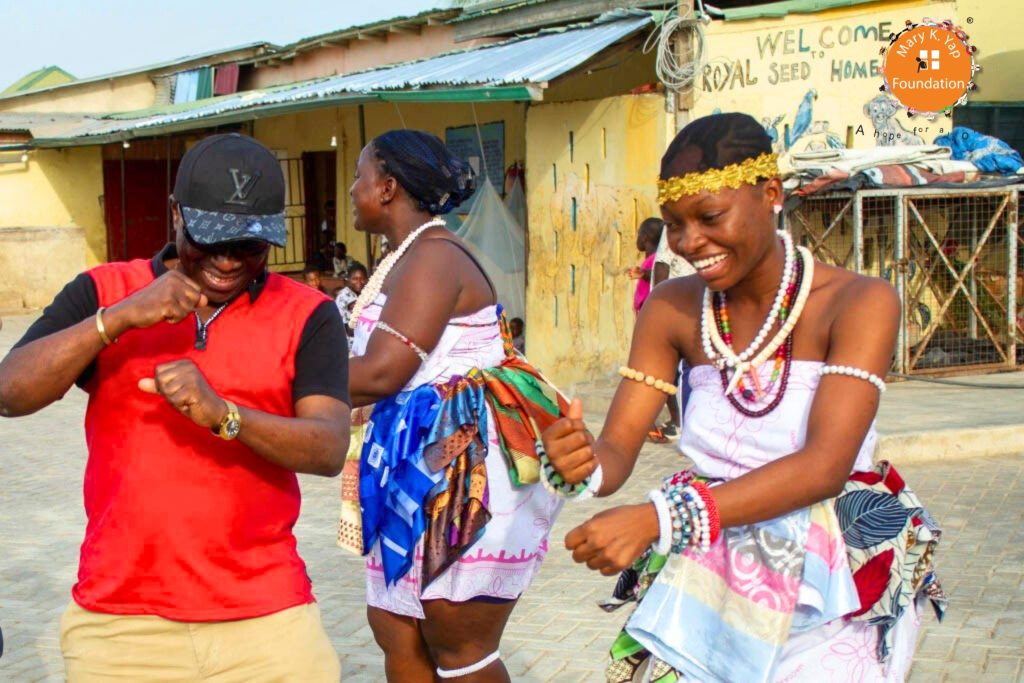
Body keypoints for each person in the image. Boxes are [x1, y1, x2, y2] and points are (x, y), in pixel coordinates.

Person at [541, 113, 945, 682]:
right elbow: (614, 454)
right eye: (673, 225)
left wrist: (659, 518)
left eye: (708, 217)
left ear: (771, 194)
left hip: (830, 580)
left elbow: (825, 467)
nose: (688, 243)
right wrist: (575, 462)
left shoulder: (860, 301)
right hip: (709, 577)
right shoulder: (671, 308)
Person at [0, 133, 348, 682]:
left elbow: (328, 447)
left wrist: (223, 415)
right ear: (176, 215)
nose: (229, 261)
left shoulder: (309, 315)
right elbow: (9, 393)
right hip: (120, 625)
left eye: (250, 246)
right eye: (210, 241)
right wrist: (116, 320)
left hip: (267, 618)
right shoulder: (102, 289)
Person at [344, 129, 567, 682]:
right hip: (411, 469)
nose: (352, 189)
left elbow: (379, 373)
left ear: (388, 187)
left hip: (459, 476)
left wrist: (271, 375)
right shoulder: (405, 256)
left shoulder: (434, 258)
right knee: (394, 627)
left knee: (457, 641)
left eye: (359, 176)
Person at [651, 221, 697, 441]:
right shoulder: (675, 226)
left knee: (685, 370)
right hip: (680, 306)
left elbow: (662, 264)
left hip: (687, 306)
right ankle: (682, 423)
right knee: (679, 370)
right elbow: (662, 264)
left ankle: (683, 423)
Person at [628, 218, 662, 315]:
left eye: (639, 234)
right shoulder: (651, 259)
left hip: (650, 313)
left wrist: (643, 274)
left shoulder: (656, 259)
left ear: (645, 238)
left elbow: (659, 276)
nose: (637, 237)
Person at [335, 262, 368, 338]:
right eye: (355, 279)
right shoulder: (344, 296)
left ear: (366, 279)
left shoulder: (364, 293)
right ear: (348, 280)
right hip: (348, 341)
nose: (359, 282)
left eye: (362, 279)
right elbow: (350, 331)